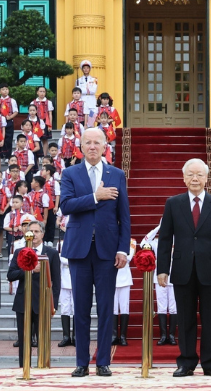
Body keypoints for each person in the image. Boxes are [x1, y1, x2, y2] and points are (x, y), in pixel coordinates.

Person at [59, 127, 131, 377]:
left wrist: (123, 249)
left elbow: (124, 215)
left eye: (96, 142)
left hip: (107, 251)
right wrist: (95, 196)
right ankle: (81, 362)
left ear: (104, 146)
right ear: (80, 146)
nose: (92, 146)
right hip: (79, 249)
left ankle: (102, 361)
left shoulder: (117, 174)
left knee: (105, 308)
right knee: (80, 309)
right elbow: (66, 206)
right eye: (87, 142)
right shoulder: (70, 173)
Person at [157, 158, 211, 377]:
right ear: (184, 178)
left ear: (207, 178)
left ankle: (210, 362)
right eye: (190, 174)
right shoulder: (173, 203)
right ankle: (186, 362)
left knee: (210, 318)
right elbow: (165, 239)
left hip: (210, 270)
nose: (195, 179)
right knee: (185, 317)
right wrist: (163, 269)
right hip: (182, 269)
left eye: (199, 174)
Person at [7, 220, 60, 368]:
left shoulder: (52, 253)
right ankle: (24, 369)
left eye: (37, 232)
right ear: (26, 234)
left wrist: (53, 305)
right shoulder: (19, 252)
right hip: (23, 302)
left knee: (43, 339)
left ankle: (43, 367)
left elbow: (56, 281)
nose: (34, 235)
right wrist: (28, 270)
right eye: (31, 232)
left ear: (43, 234)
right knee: (24, 340)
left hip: (43, 302)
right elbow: (10, 275)